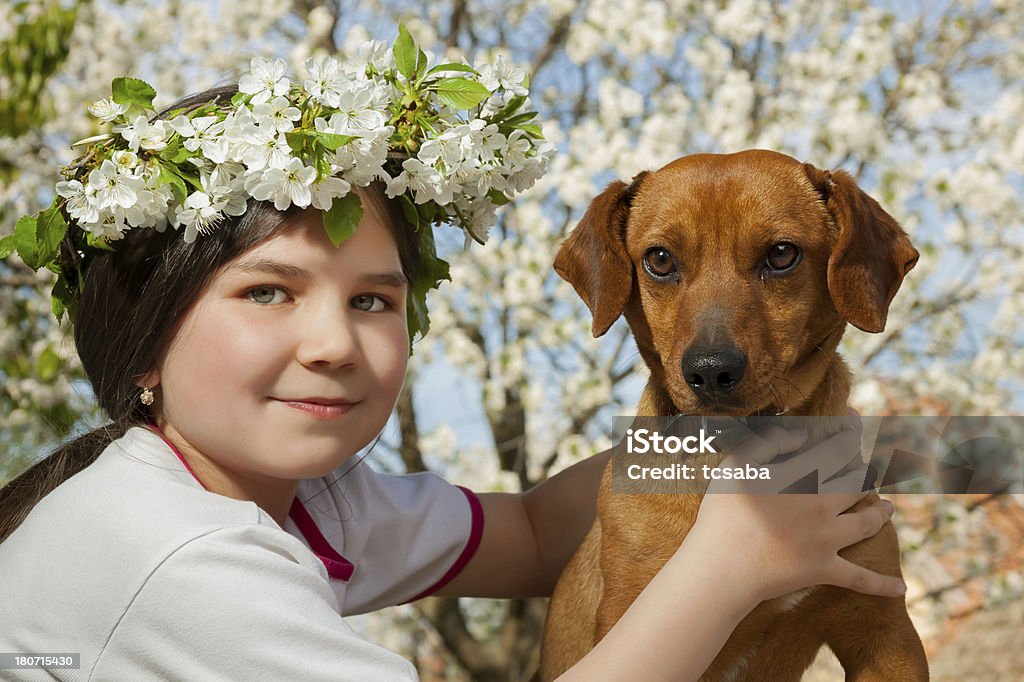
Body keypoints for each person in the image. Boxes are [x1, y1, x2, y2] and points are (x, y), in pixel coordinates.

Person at [0, 34, 904, 682]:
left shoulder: (309, 503)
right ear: (144, 344)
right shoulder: (180, 562)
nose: (331, 344)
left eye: (372, 301)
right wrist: (729, 562)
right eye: (267, 292)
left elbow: (540, 532)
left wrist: (802, 453)